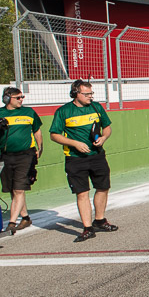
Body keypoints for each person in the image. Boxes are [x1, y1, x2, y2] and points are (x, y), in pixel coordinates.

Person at [49, 80, 117, 243]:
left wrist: (103, 138)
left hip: (97, 156)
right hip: (75, 159)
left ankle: (100, 220)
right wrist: (74, 143)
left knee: (103, 187)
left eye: (91, 93)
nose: (90, 97)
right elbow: (54, 135)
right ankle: (87, 228)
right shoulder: (64, 111)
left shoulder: (96, 107)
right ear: (75, 93)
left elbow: (107, 127)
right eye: (86, 94)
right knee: (82, 192)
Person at [0, 86, 43, 236]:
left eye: (22, 97)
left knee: (19, 188)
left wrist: (40, 147)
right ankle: (25, 218)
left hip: (26, 154)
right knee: (13, 188)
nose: (21, 100)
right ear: (7, 98)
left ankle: (12, 223)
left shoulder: (29, 112)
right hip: (5, 155)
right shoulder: (0, 113)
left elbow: (37, 130)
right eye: (18, 98)